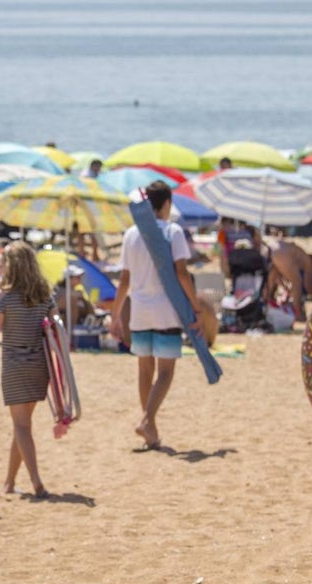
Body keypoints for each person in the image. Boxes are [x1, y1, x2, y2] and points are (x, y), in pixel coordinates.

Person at [110, 181, 202, 450]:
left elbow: (124, 279)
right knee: (165, 372)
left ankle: (151, 431)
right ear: (167, 203)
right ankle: (147, 420)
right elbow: (182, 274)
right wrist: (195, 307)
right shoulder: (173, 231)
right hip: (166, 310)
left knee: (144, 369)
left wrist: (116, 314)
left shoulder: (131, 234)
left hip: (139, 310)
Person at [0, 241, 53, 499]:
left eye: (2, 262)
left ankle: (37, 482)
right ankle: (9, 482)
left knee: (21, 425)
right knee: (22, 425)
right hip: (38, 366)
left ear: (11, 265)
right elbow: (55, 332)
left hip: (15, 367)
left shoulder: (3, 297)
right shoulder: (44, 296)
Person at [265, 230, 312, 321]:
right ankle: (298, 313)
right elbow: (307, 284)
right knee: (297, 281)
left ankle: (266, 307)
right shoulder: (308, 262)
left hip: (274, 248)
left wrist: (286, 288)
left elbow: (278, 277)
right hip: (282, 252)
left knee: (271, 283)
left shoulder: (298, 257)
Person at [54, 265, 95, 345]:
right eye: (77, 277)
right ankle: (71, 338)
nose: (80, 279)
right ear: (69, 278)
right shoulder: (59, 291)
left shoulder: (78, 292)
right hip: (64, 324)